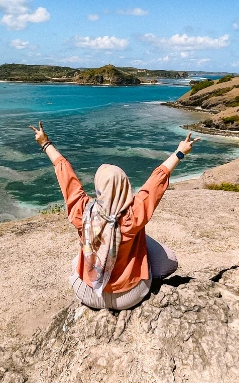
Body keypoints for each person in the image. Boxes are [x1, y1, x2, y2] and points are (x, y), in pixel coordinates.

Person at [29, 121, 200, 310]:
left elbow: (66, 174)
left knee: (77, 261)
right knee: (165, 257)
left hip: (89, 293)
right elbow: (157, 179)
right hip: (130, 296)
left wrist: (45, 143)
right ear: (125, 186)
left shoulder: (83, 211)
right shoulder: (135, 214)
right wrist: (180, 152)